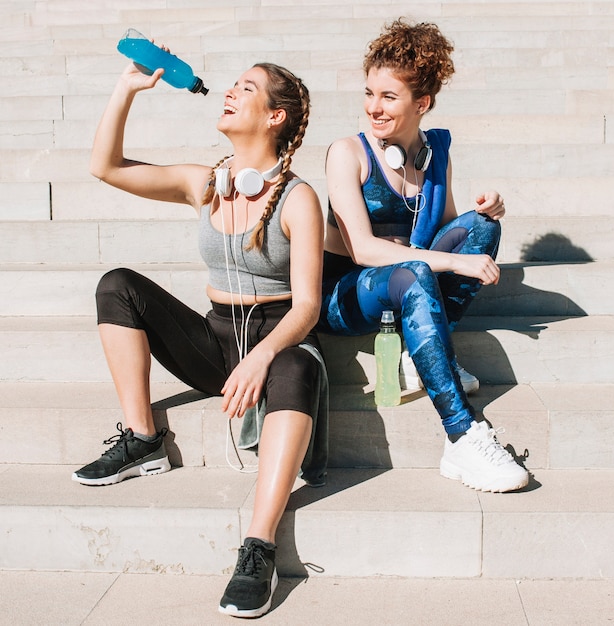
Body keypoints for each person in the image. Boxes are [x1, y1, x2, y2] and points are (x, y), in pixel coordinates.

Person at [71, 52, 327, 618]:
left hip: (277, 336)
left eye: (246, 88)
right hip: (215, 339)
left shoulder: (298, 197)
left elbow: (306, 305)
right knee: (118, 286)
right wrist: (126, 89)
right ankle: (144, 440)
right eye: (232, 85)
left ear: (275, 116)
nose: (229, 93)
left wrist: (262, 355)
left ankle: (257, 547)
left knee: (299, 367)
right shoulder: (207, 182)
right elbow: (105, 166)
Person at [319, 19, 529, 493]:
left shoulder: (435, 152)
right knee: (416, 268)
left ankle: (425, 354)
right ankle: (462, 436)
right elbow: (362, 248)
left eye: (388, 97)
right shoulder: (347, 153)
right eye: (369, 93)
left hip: (408, 280)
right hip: (345, 294)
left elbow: (444, 229)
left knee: (480, 227)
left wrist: (483, 213)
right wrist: (454, 263)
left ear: (422, 104)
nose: (373, 107)